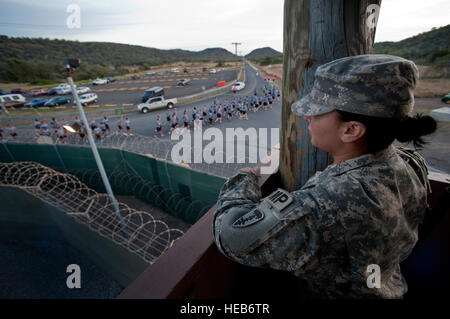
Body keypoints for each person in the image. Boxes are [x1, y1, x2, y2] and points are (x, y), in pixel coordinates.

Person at [212, 55, 437, 299]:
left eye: (317, 111)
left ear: (351, 130)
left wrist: (244, 178)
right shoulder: (410, 163)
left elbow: (232, 237)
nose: (307, 116)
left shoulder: (328, 202)